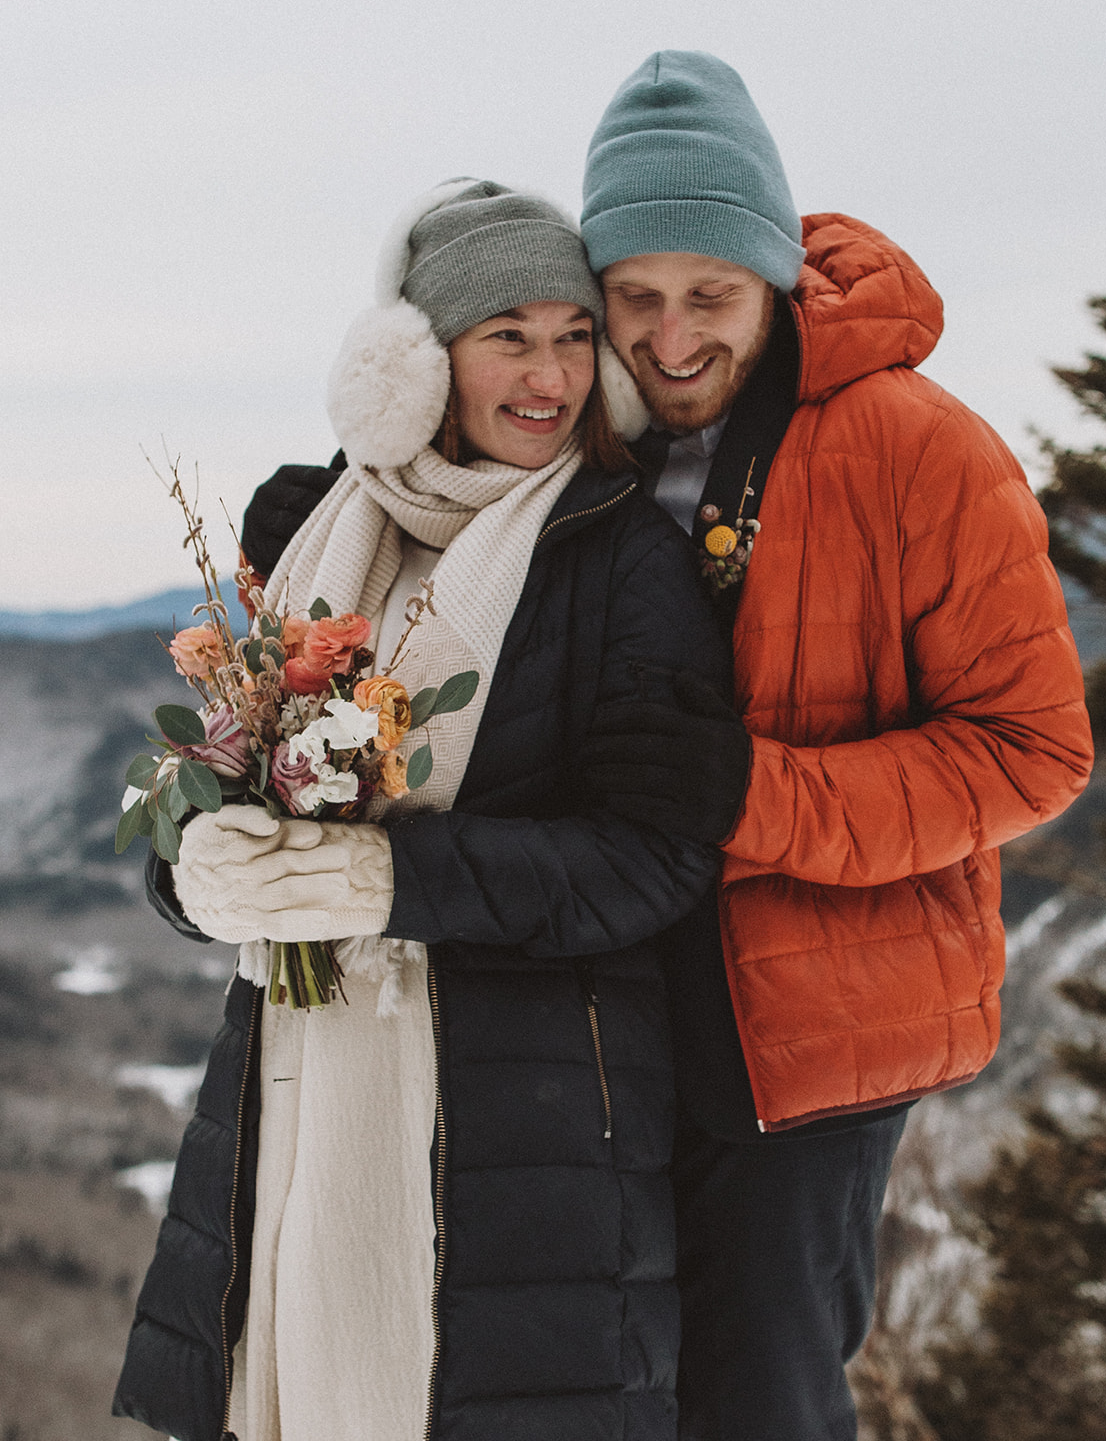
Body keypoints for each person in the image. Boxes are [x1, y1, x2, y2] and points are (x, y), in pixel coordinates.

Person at [112, 179, 748, 1441]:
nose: (551, 374)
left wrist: (390, 883)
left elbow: (655, 859)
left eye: (575, 334)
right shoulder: (315, 543)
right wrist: (201, 870)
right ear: (418, 363)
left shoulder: (622, 556)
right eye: (507, 333)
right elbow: (225, 781)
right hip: (297, 1100)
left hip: (529, 1132)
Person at [575, 52, 1096, 1441]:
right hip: (597, 1019)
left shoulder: (918, 448)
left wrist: (758, 795)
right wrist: (310, 531)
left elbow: (1028, 751)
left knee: (758, 1405)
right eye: (634, 296)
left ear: (772, 280)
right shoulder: (583, 441)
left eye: (709, 297)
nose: (669, 337)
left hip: (811, 1040)